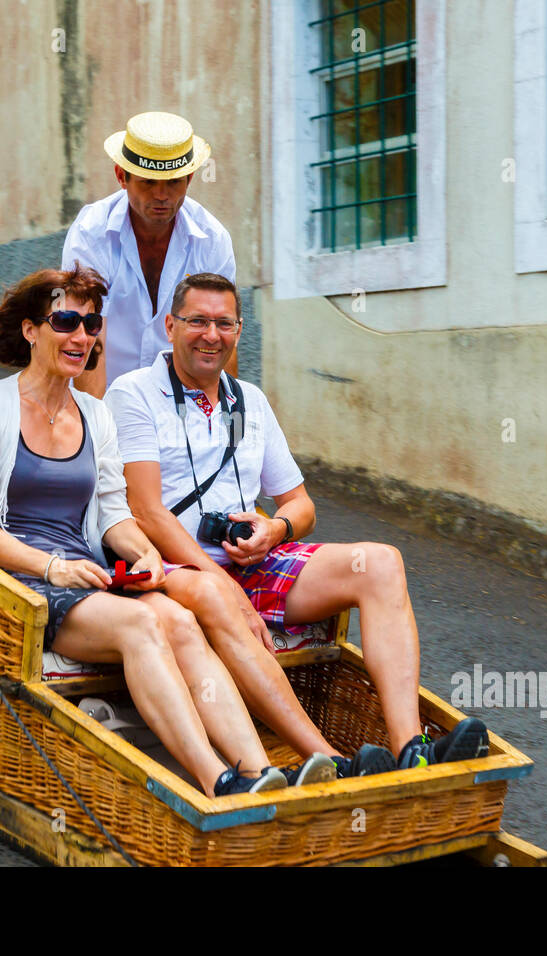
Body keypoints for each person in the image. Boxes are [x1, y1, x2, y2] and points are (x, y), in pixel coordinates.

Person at [0, 266, 334, 797]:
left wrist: (147, 555)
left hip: (84, 572)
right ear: (32, 330)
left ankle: (256, 769)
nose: (82, 337)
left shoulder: (94, 414)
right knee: (143, 625)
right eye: (65, 321)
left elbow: (113, 515)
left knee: (177, 618)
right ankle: (215, 779)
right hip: (17, 584)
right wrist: (51, 567)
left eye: (91, 324)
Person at [105, 273, 491, 775]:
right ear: (170, 325)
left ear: (239, 331)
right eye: (197, 321)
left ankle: (409, 749)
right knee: (218, 594)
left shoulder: (248, 403)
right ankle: (330, 758)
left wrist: (275, 530)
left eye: (224, 323)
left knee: (381, 562)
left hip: (252, 564)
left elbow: (300, 503)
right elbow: (146, 510)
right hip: (174, 567)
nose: (210, 334)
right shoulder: (133, 393)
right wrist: (222, 581)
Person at [60, 111, 235, 397]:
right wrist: (98, 429)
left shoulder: (212, 240)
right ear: (121, 176)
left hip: (180, 403)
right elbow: (85, 334)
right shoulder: (91, 233)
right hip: (102, 396)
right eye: (149, 182)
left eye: (174, 181)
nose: (162, 195)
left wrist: (222, 426)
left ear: (190, 178)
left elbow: (221, 342)